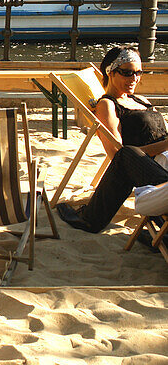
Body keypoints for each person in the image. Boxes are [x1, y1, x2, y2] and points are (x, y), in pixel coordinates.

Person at [57, 46, 168, 238]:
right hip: (152, 169)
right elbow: (117, 156)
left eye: (138, 73)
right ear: (110, 72)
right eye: (127, 73)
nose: (134, 79)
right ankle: (90, 218)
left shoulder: (141, 100)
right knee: (126, 153)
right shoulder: (107, 104)